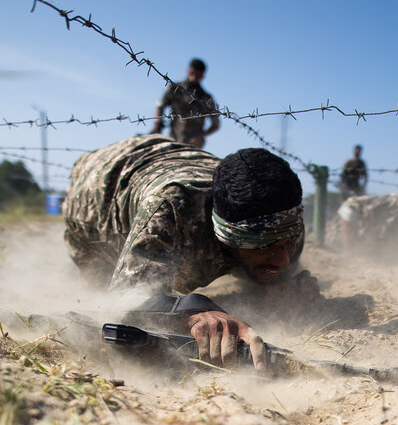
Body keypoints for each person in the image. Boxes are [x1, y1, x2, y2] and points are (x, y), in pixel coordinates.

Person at [64, 134, 318, 370]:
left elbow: (276, 265)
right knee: (97, 295)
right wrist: (191, 311)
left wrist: (282, 290)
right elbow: (125, 301)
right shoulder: (170, 211)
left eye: (289, 242)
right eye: (263, 245)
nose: (283, 259)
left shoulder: (283, 220)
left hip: (177, 162)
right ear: (227, 235)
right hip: (99, 184)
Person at [151, 58, 220, 148]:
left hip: (194, 145)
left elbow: (216, 124)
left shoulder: (206, 98)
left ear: (203, 76)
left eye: (198, 76)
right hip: (173, 139)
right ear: (188, 70)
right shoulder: (175, 88)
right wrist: (157, 123)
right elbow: (160, 106)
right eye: (192, 73)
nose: (194, 78)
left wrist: (200, 136)